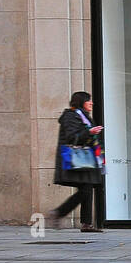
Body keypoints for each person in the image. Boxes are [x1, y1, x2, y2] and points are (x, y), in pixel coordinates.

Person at [51, 91, 105, 233]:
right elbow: (71, 137)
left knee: (87, 188)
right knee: (86, 189)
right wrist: (90, 132)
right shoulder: (71, 116)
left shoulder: (83, 116)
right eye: (89, 100)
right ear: (81, 102)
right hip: (76, 159)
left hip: (85, 159)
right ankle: (59, 213)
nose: (91, 103)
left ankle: (86, 223)